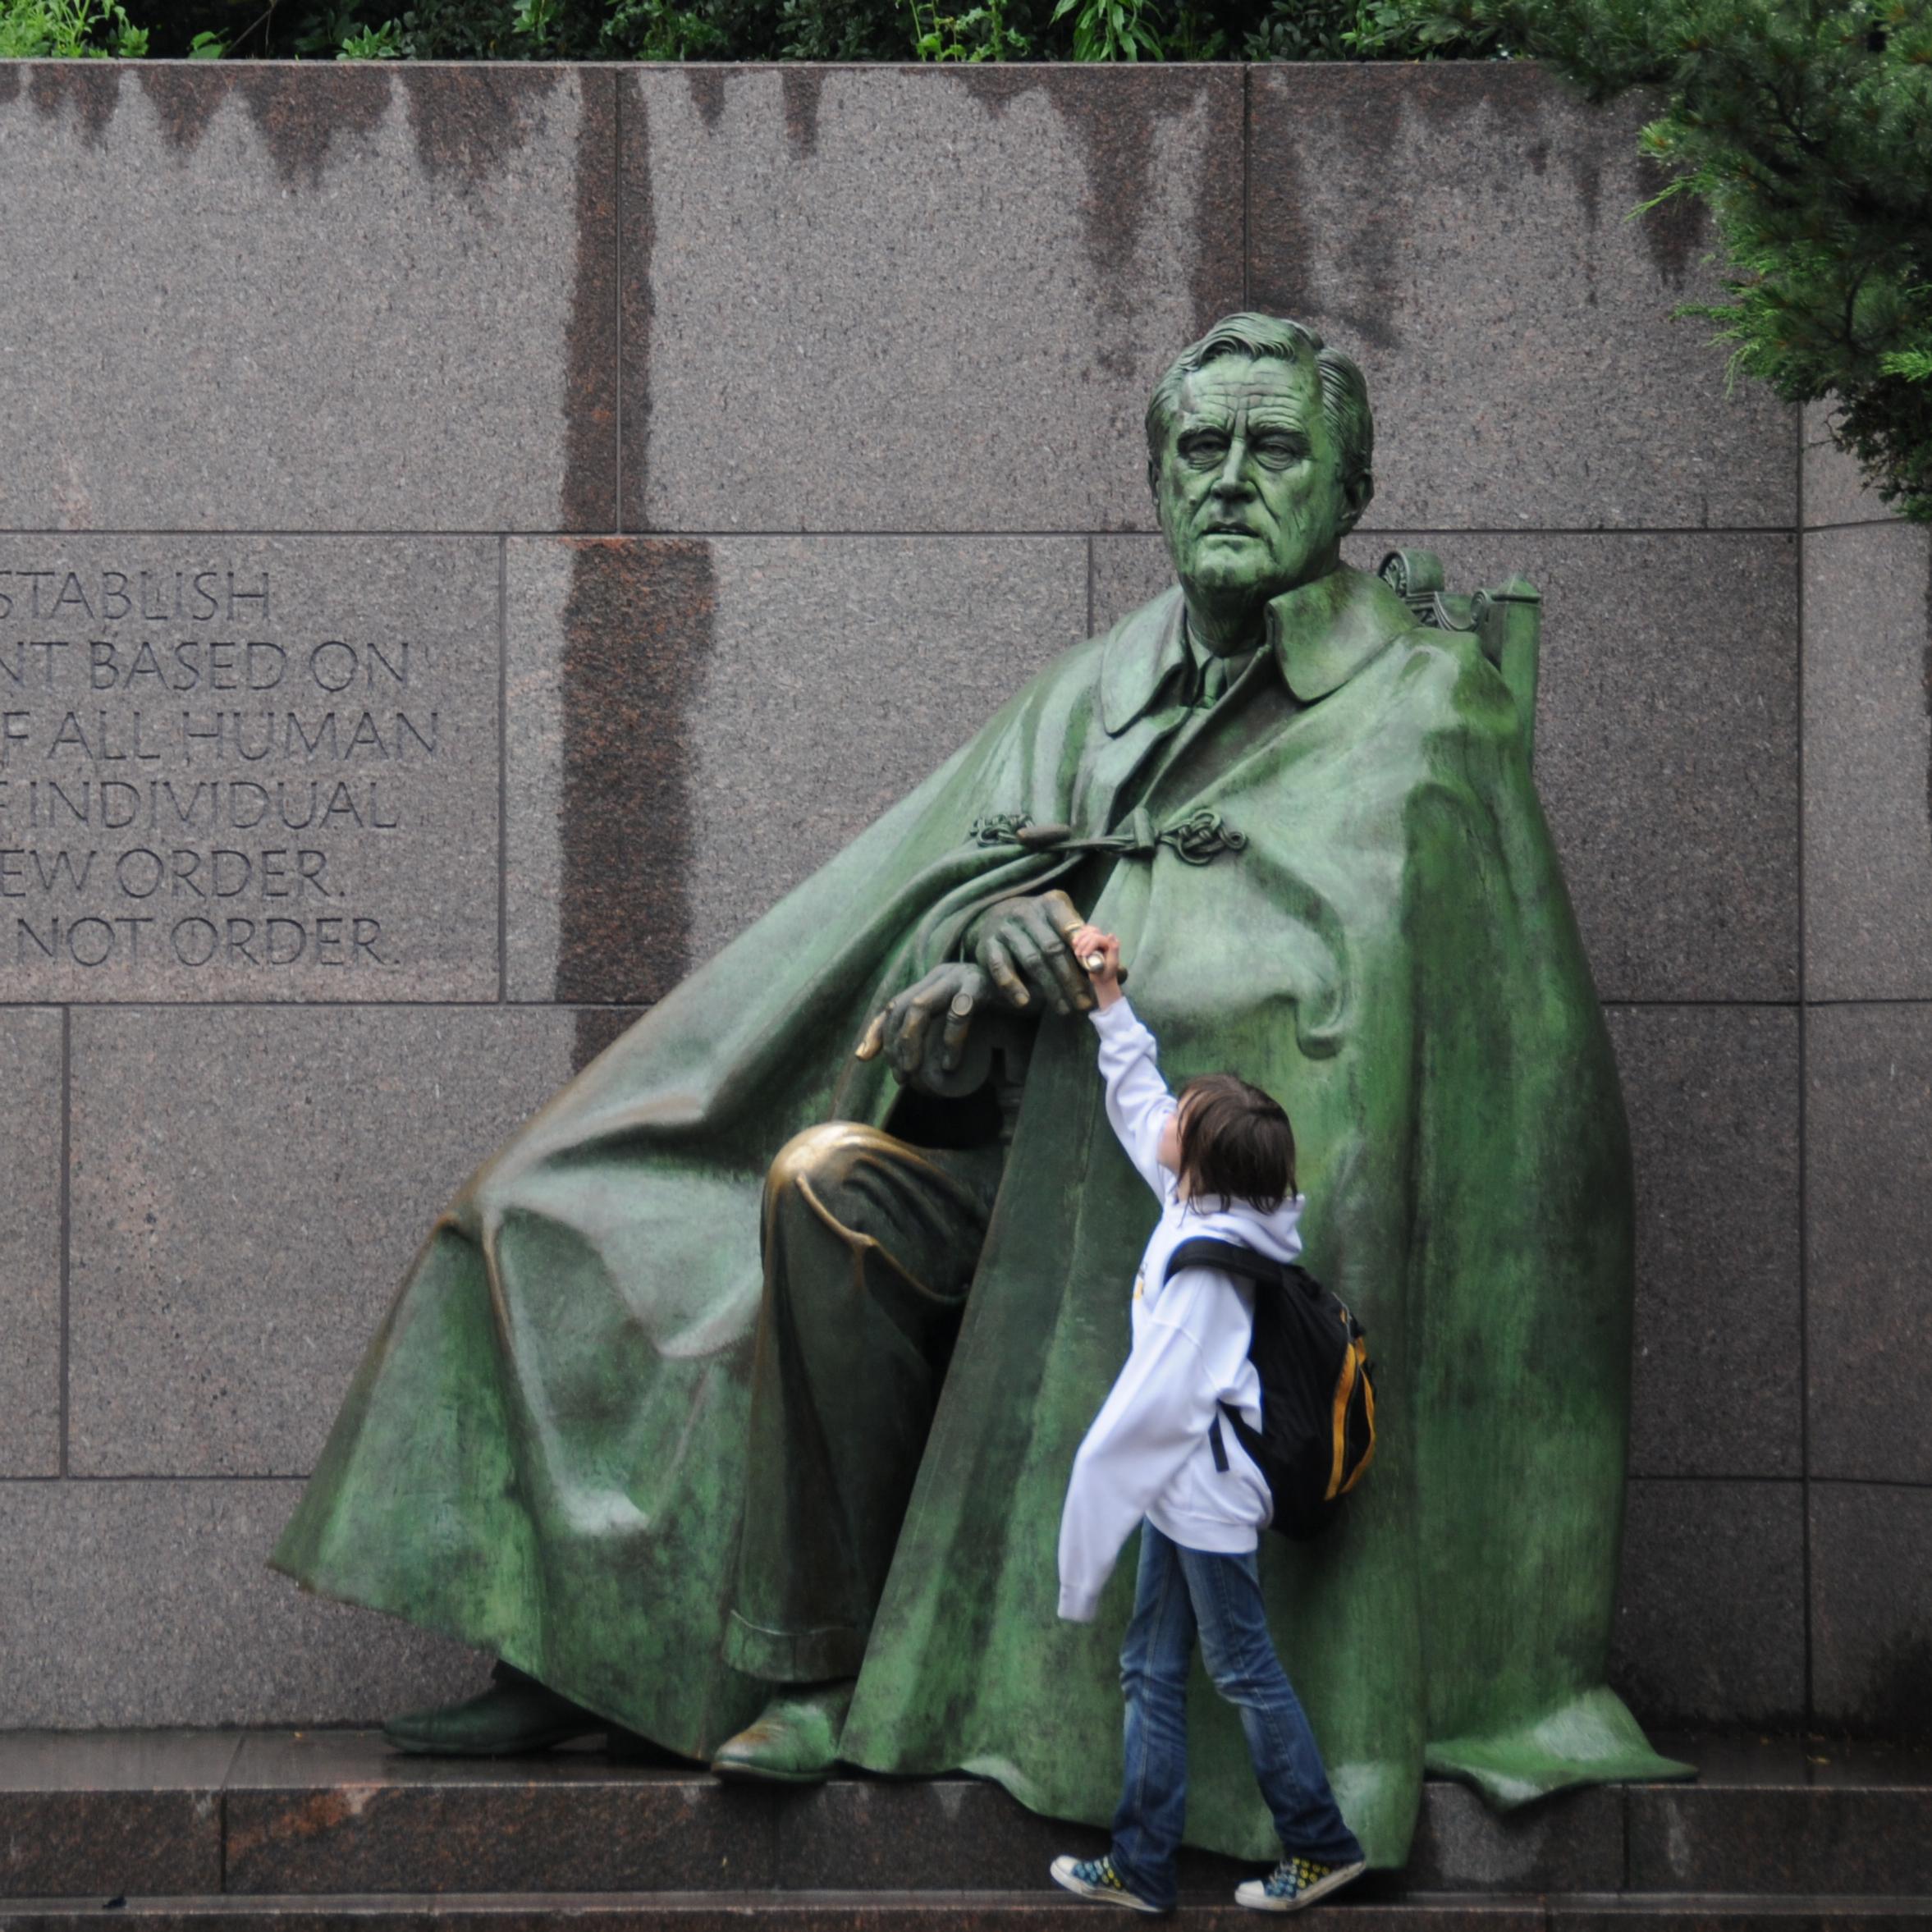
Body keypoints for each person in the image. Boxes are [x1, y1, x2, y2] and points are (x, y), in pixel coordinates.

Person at [273, 313, 1686, 1871]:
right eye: (1195, 449)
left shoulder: (1428, 708)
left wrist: (1119, 970)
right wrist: (973, 946)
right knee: (738, 1188)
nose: (1227, 479)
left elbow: (1466, 1073)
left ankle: (1038, 1724)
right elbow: (917, 925)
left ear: (1346, 485)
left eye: (1271, 447)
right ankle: (719, 1653)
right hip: (1002, 1168)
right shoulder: (1091, 689)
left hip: (1182, 1230)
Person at [1046, 923, 1365, 1916]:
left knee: (1237, 1667)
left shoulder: (1207, 1271)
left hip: (1206, 1493)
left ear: (1204, 1162)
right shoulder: (1203, 1206)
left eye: (1187, 1114)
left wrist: (1082, 1553)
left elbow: (1145, 1415)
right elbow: (1139, 1095)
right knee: (1154, 1666)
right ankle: (1141, 1865)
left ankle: (1318, 1842)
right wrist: (1108, 997)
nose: (1170, 1112)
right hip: (1183, 1488)